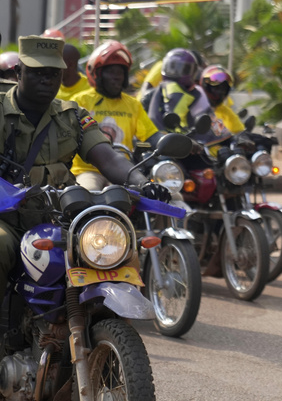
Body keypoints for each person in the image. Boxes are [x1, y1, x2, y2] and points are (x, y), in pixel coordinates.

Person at [0, 35, 169, 289]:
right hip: (8, 220)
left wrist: (143, 183)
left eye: (54, 73)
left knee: (116, 248)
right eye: (38, 72)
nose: (47, 79)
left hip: (61, 220)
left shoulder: (73, 115)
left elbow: (108, 157)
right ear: (18, 72)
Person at [70, 41, 161, 191]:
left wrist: (171, 142)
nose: (116, 77)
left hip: (124, 172)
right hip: (88, 171)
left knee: (169, 198)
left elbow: (151, 136)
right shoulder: (80, 101)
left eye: (120, 72)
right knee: (88, 193)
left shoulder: (133, 104)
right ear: (98, 74)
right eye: (111, 72)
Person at [147, 48, 211, 132]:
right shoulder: (176, 91)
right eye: (172, 67)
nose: (175, 72)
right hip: (175, 140)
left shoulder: (160, 89)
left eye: (183, 68)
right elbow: (178, 126)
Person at [201, 65, 244, 139]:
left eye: (224, 88)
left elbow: (240, 131)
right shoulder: (199, 107)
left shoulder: (224, 111)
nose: (220, 91)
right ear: (206, 86)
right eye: (216, 87)